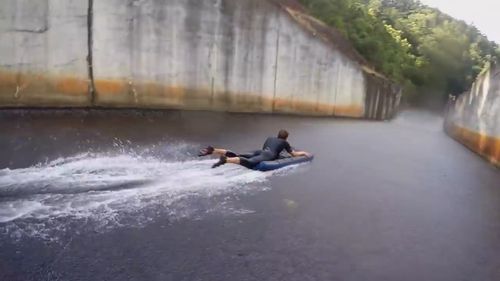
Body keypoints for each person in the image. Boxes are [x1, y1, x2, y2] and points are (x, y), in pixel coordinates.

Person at [198, 129, 310, 169]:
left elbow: (265, 148)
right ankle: (225, 160)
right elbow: (293, 154)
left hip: (260, 151)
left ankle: (213, 150)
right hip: (267, 155)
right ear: (286, 137)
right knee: (250, 163)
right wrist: (304, 153)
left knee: (237, 154)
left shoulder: (270, 138)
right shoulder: (285, 142)